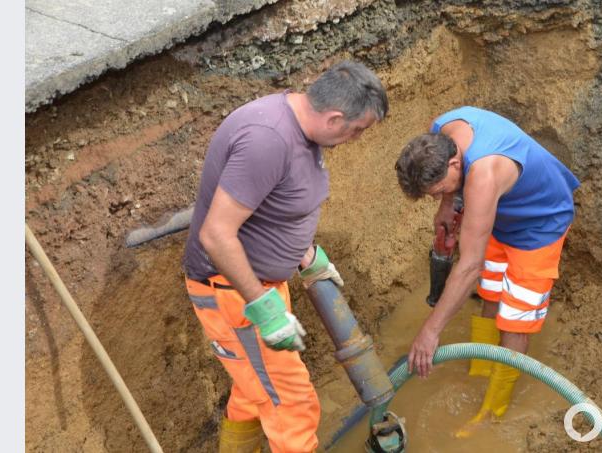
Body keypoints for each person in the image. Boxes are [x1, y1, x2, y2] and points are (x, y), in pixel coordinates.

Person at [182, 60, 388, 453]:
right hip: (236, 295)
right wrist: (263, 306)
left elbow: (275, 208)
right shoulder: (268, 140)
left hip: (262, 288)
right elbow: (216, 233)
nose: (357, 139)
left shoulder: (300, 131)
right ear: (334, 118)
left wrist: (305, 254)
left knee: (253, 393)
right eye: (357, 130)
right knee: (291, 406)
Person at [394, 106, 579, 437]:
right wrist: (447, 205)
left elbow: (469, 266)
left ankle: (493, 409)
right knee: (491, 294)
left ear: (454, 164)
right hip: (500, 215)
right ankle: (479, 369)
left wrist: (430, 331)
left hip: (540, 224)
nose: (438, 196)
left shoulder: (484, 173)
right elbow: (455, 193)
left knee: (515, 319)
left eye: (438, 191)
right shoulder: (441, 127)